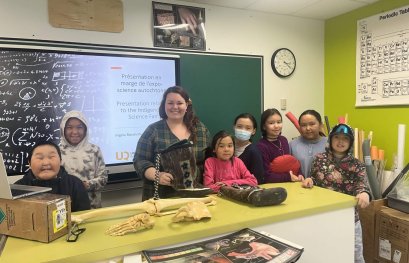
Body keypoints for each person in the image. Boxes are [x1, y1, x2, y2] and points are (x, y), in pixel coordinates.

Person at [302, 123, 371, 263]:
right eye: (337, 137)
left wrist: (364, 193)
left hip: (349, 218)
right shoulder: (318, 159)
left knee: (355, 255)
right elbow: (315, 178)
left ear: (350, 142)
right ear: (330, 139)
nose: (340, 142)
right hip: (323, 216)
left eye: (345, 138)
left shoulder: (357, 165)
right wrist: (310, 180)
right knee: (326, 253)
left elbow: (362, 185)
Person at [134, 86, 211, 201]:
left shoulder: (200, 129)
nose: (175, 107)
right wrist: (157, 175)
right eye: (170, 103)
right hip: (160, 198)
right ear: (164, 105)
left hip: (194, 197)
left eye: (179, 103)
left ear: (186, 106)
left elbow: (209, 161)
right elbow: (140, 160)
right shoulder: (153, 130)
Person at [15, 141, 90, 212]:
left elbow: (83, 215)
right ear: (29, 163)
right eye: (40, 158)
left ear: (60, 161)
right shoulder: (17, 188)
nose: (46, 163)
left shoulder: (75, 184)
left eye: (51, 157)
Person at [59, 110, 108, 209]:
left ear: (85, 129)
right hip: (65, 209)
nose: (75, 132)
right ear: (63, 129)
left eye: (79, 127)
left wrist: (85, 185)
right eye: (69, 127)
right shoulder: (56, 152)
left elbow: (103, 179)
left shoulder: (94, 150)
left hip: (92, 207)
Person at [257, 108, 303, 183]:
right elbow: (266, 176)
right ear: (264, 126)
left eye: (279, 122)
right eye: (271, 123)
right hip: (273, 186)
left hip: (290, 184)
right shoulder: (261, 146)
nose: (276, 126)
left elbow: (291, 162)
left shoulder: (283, 140)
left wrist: (299, 174)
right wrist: (288, 177)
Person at [289, 109, 327, 178]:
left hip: (323, 188)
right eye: (303, 125)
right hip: (298, 186)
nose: (308, 128)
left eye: (312, 124)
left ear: (320, 125)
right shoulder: (292, 145)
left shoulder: (329, 144)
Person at [233, 113, 264, 184]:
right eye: (239, 126)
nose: (243, 130)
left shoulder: (254, 152)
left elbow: (257, 179)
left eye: (248, 128)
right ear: (234, 127)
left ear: (254, 131)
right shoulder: (225, 147)